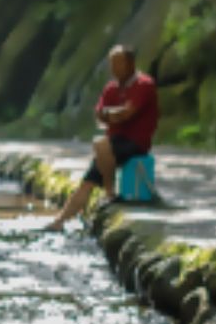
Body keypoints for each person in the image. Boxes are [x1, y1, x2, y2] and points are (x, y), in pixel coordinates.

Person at [44, 45, 159, 231]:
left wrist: (112, 114)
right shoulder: (111, 88)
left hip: (135, 142)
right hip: (112, 143)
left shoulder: (144, 84)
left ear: (130, 64)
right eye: (112, 64)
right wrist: (112, 114)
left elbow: (126, 113)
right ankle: (60, 221)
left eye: (118, 64)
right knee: (88, 179)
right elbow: (100, 115)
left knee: (101, 145)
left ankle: (109, 193)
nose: (113, 69)